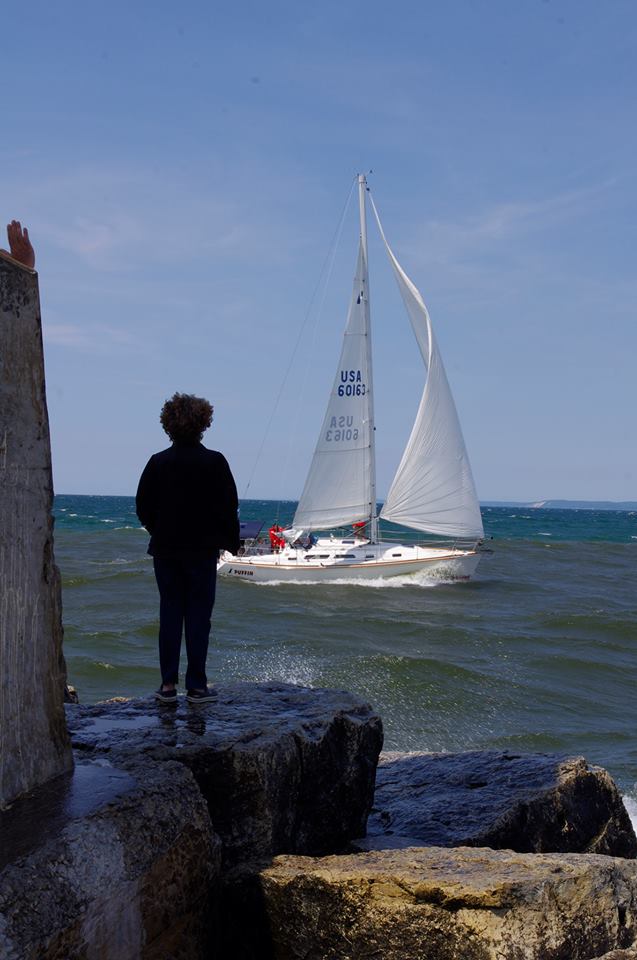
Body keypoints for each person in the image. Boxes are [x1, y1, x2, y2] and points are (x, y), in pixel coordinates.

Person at [136, 392, 239, 704]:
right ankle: (196, 685)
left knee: (170, 613)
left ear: (168, 425)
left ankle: (167, 685)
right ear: (204, 423)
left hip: (166, 549)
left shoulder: (158, 462)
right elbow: (228, 507)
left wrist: (160, 530)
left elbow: (143, 506)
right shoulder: (215, 462)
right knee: (198, 617)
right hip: (202, 551)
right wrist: (229, 542)